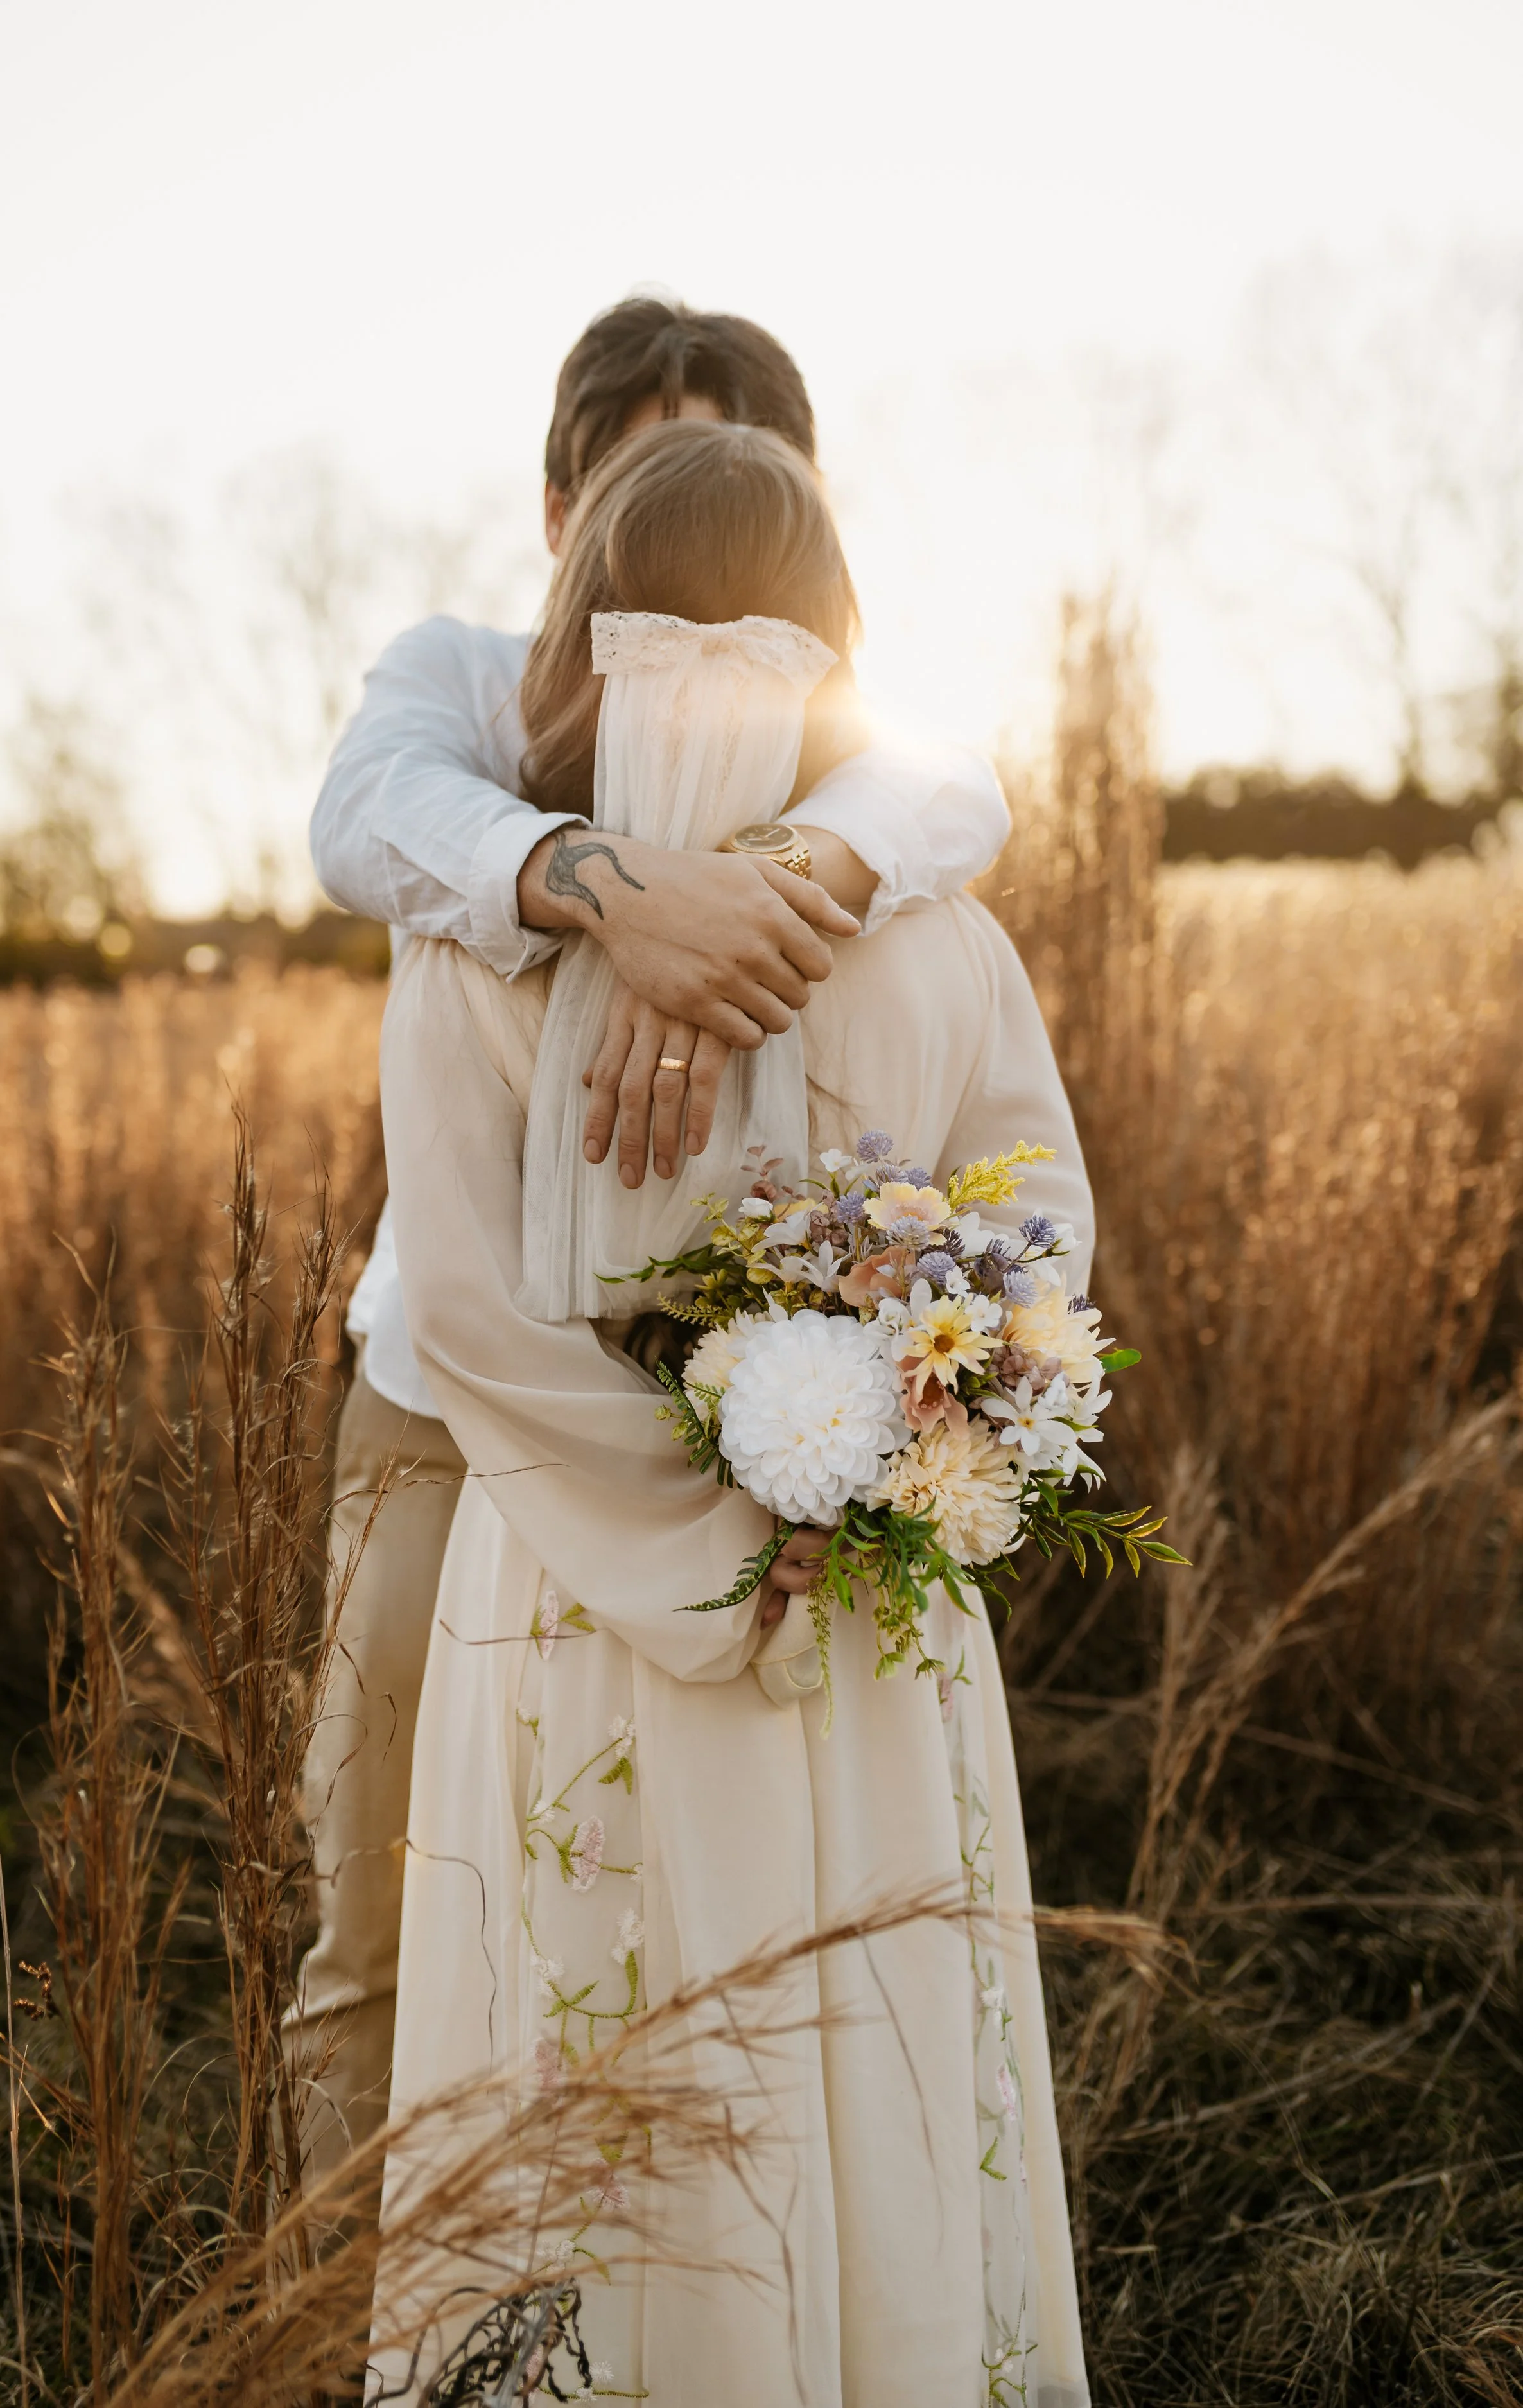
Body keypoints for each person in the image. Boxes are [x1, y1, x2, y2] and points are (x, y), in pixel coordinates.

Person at [369, 419, 1092, 2404]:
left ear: (573, 635)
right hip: (864, 1607)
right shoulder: (945, 935)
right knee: (850, 2042)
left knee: (596, 2053)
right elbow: (1036, 1241)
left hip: (574, 1608)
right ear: (839, 636)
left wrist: (698, 1553)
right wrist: (884, 1465)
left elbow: (473, 1323)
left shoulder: (474, 960)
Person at [295, 299, 1016, 2183]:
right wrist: (619, 890)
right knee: (387, 1902)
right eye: (639, 476)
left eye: (742, 482)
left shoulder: (840, 738)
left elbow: (951, 787)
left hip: (746, 1425)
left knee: (672, 1924)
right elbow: (367, 814)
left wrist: (745, 888)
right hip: (437, 1395)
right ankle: (316, 2336)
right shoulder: (462, 672)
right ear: (561, 510)